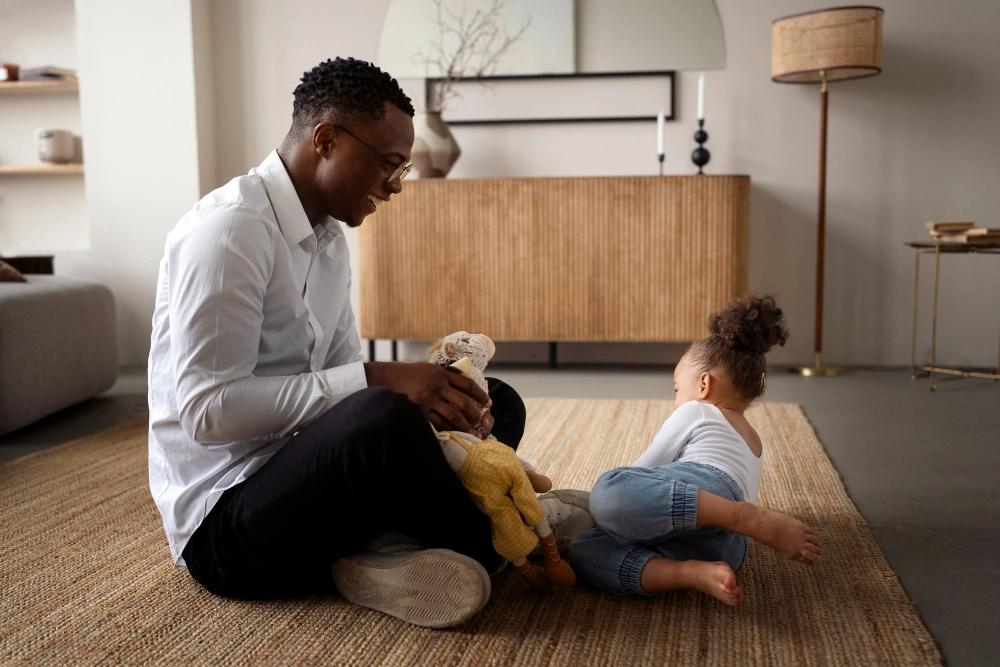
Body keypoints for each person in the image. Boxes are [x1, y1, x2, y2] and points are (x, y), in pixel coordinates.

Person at [147, 57, 588, 629]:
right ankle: (513, 534)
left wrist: (421, 390)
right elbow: (207, 413)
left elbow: (336, 378)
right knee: (380, 414)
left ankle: (384, 557)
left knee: (487, 398)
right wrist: (382, 379)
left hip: (310, 479)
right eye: (387, 164)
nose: (395, 186)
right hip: (229, 530)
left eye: (401, 168)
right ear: (325, 139)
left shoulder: (327, 241)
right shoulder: (228, 232)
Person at [569, 294, 822, 605]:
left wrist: (606, 510)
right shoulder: (754, 440)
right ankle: (692, 572)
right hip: (728, 547)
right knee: (584, 548)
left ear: (703, 385)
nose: (676, 399)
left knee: (607, 493)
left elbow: (642, 470)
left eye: (678, 388)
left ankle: (740, 522)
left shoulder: (696, 411)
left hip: (717, 497)